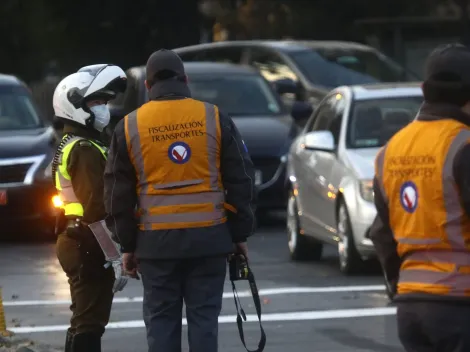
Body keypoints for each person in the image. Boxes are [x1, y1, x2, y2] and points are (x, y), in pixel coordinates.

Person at [103, 49, 257, 352]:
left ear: (148, 86)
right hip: (210, 241)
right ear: (185, 80)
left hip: (155, 247)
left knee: (161, 322)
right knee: (204, 322)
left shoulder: (130, 126)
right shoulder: (213, 117)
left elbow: (116, 195)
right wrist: (239, 234)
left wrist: (128, 245)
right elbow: (242, 178)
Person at [370, 43, 470, 352]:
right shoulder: (464, 145)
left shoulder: (391, 150)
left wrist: (398, 286)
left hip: (411, 306)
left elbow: (382, 233)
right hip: (461, 302)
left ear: (424, 89)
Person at [51, 64, 127, 352]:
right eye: (96, 102)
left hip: (78, 240)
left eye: (104, 102)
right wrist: (116, 256)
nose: (103, 109)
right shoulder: (83, 149)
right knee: (90, 323)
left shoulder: (76, 142)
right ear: (74, 105)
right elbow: (96, 208)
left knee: (84, 319)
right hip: (86, 243)